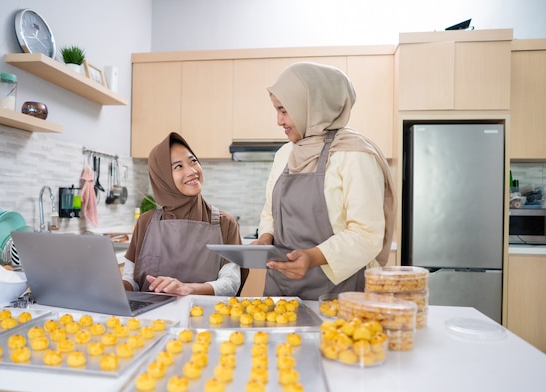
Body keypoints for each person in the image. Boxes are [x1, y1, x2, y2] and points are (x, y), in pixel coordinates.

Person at [251, 62, 396, 300]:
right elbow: (270, 212)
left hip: (337, 291)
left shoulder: (355, 155)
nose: (278, 120)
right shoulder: (285, 154)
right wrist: (265, 239)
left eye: (284, 110)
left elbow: (367, 234)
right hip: (281, 286)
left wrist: (312, 258)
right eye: (276, 110)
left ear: (312, 107)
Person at [122, 132, 244, 296]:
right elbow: (132, 281)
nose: (192, 170)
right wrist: (113, 287)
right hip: (152, 318)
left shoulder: (225, 223)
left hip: (205, 317)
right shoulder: (146, 222)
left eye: (193, 161)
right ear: (162, 177)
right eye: (178, 166)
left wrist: (187, 289)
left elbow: (231, 283)